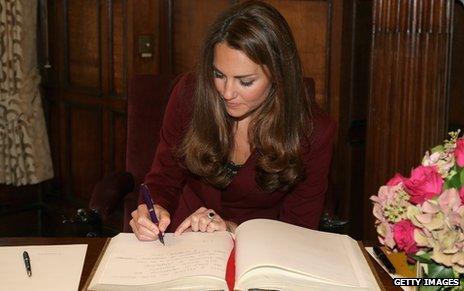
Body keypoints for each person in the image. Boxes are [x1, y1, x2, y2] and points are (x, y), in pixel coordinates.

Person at [129, 0, 336, 241]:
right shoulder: (190, 96)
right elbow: (164, 178)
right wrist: (153, 209)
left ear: (278, 75)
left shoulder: (312, 132)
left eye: (245, 81)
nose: (227, 92)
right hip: (184, 241)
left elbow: (299, 229)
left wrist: (231, 229)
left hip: (261, 251)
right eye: (218, 75)